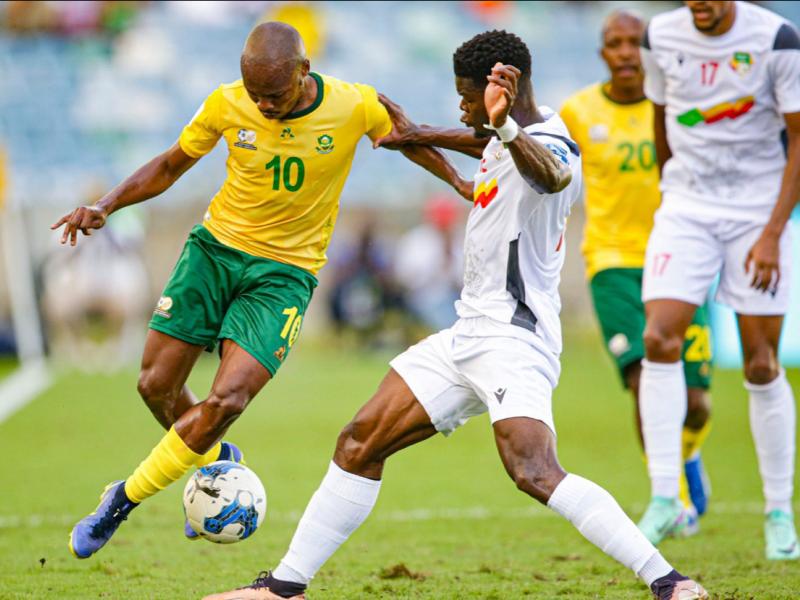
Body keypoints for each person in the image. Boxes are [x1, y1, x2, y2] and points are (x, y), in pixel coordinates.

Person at [204, 30, 707, 600]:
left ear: (505, 91)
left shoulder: (550, 141)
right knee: (358, 442)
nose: (462, 108)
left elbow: (554, 175)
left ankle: (669, 581)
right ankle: (283, 589)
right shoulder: (501, 139)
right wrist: (418, 133)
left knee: (534, 472)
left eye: (466, 96)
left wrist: (504, 128)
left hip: (515, 339)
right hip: (467, 333)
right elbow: (483, 144)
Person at [54, 21, 470, 559]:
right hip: (214, 253)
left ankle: (121, 500)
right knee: (155, 385)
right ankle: (212, 459)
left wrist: (459, 182)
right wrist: (106, 205)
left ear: (304, 71)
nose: (264, 106)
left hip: (284, 274)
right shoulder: (227, 104)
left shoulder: (354, 104)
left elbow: (405, 140)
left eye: (274, 94)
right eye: (255, 95)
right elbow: (170, 164)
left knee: (226, 398)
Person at [637, 0, 800, 557]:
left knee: (760, 362)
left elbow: (798, 139)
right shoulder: (659, 35)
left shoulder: (778, 39)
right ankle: (665, 497)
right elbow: (660, 121)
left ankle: (779, 510)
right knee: (658, 340)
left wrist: (775, 232)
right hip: (686, 209)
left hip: (758, 212)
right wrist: (672, 196)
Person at [560, 9, 713, 536]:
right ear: (602, 53)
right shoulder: (578, 111)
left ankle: (687, 459)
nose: (625, 51)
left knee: (696, 405)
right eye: (614, 43)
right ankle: (667, 497)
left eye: (634, 42)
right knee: (645, 379)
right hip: (612, 261)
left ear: (649, 50)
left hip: (683, 257)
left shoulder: (680, 109)